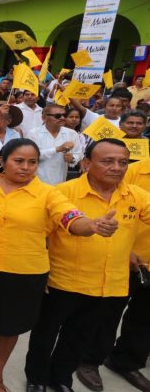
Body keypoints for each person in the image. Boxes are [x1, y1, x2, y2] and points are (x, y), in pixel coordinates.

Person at [0, 138, 118, 392]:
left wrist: (92, 226)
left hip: (25, 272)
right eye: (19, 161)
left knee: (10, 326)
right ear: (2, 162)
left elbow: (72, 218)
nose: (26, 167)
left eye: (32, 162)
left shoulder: (49, 194)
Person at [24, 139, 150, 392]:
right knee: (45, 334)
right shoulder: (62, 193)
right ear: (86, 163)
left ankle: (60, 379)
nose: (117, 167)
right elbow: (39, 236)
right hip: (61, 281)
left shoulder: (136, 196)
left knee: (79, 336)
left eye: (123, 162)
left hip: (106, 285)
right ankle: (37, 378)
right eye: (107, 161)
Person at [77, 155, 150, 392]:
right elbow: (108, 210)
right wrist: (126, 249)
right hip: (128, 258)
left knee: (144, 317)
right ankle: (89, 360)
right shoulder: (131, 170)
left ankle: (126, 361)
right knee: (107, 313)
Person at [27, 103, 84, 185]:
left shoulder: (72, 133)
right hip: (37, 183)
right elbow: (32, 156)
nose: (62, 118)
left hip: (60, 182)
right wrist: (57, 149)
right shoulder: (33, 134)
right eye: (57, 116)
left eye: (64, 115)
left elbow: (78, 154)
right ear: (44, 118)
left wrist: (72, 158)